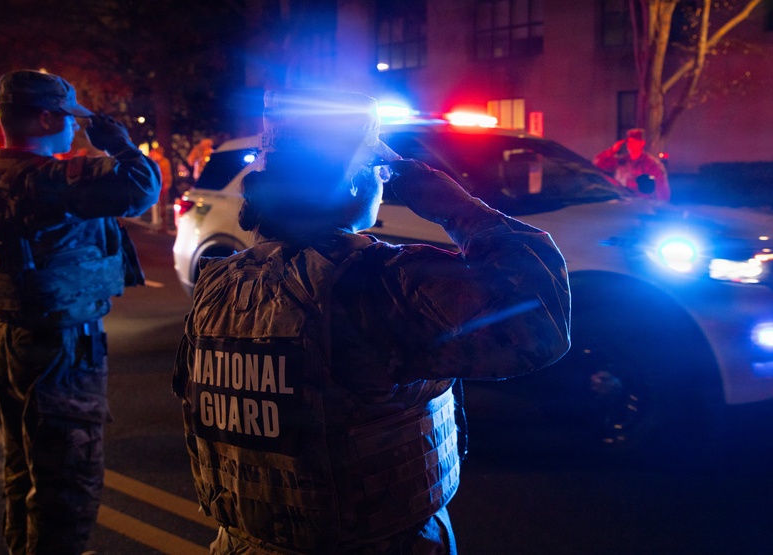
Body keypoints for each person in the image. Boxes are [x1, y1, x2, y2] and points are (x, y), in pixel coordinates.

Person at [172, 89, 571, 554]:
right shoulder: (382, 282)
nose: (384, 180)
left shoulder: (217, 284)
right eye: (379, 169)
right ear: (354, 181)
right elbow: (542, 321)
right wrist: (452, 205)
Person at [0, 70, 160, 554]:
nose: (76, 128)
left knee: (21, 470)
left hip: (6, 338)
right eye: (70, 119)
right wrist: (118, 144)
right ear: (45, 118)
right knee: (67, 485)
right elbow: (141, 188)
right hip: (60, 347)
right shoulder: (50, 181)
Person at [593, 127, 671, 201]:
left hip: (641, 204)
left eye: (634, 142)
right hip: (621, 202)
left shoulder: (651, 164)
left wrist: (660, 206)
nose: (630, 145)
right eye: (629, 142)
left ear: (642, 143)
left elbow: (662, 189)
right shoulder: (622, 161)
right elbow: (598, 163)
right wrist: (612, 150)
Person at [148, 144, 174, 231]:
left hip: (162, 186)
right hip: (157, 186)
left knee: (163, 206)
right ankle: (158, 223)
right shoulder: (155, 162)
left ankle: (164, 225)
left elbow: (167, 175)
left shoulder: (164, 162)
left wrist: (166, 184)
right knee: (157, 206)